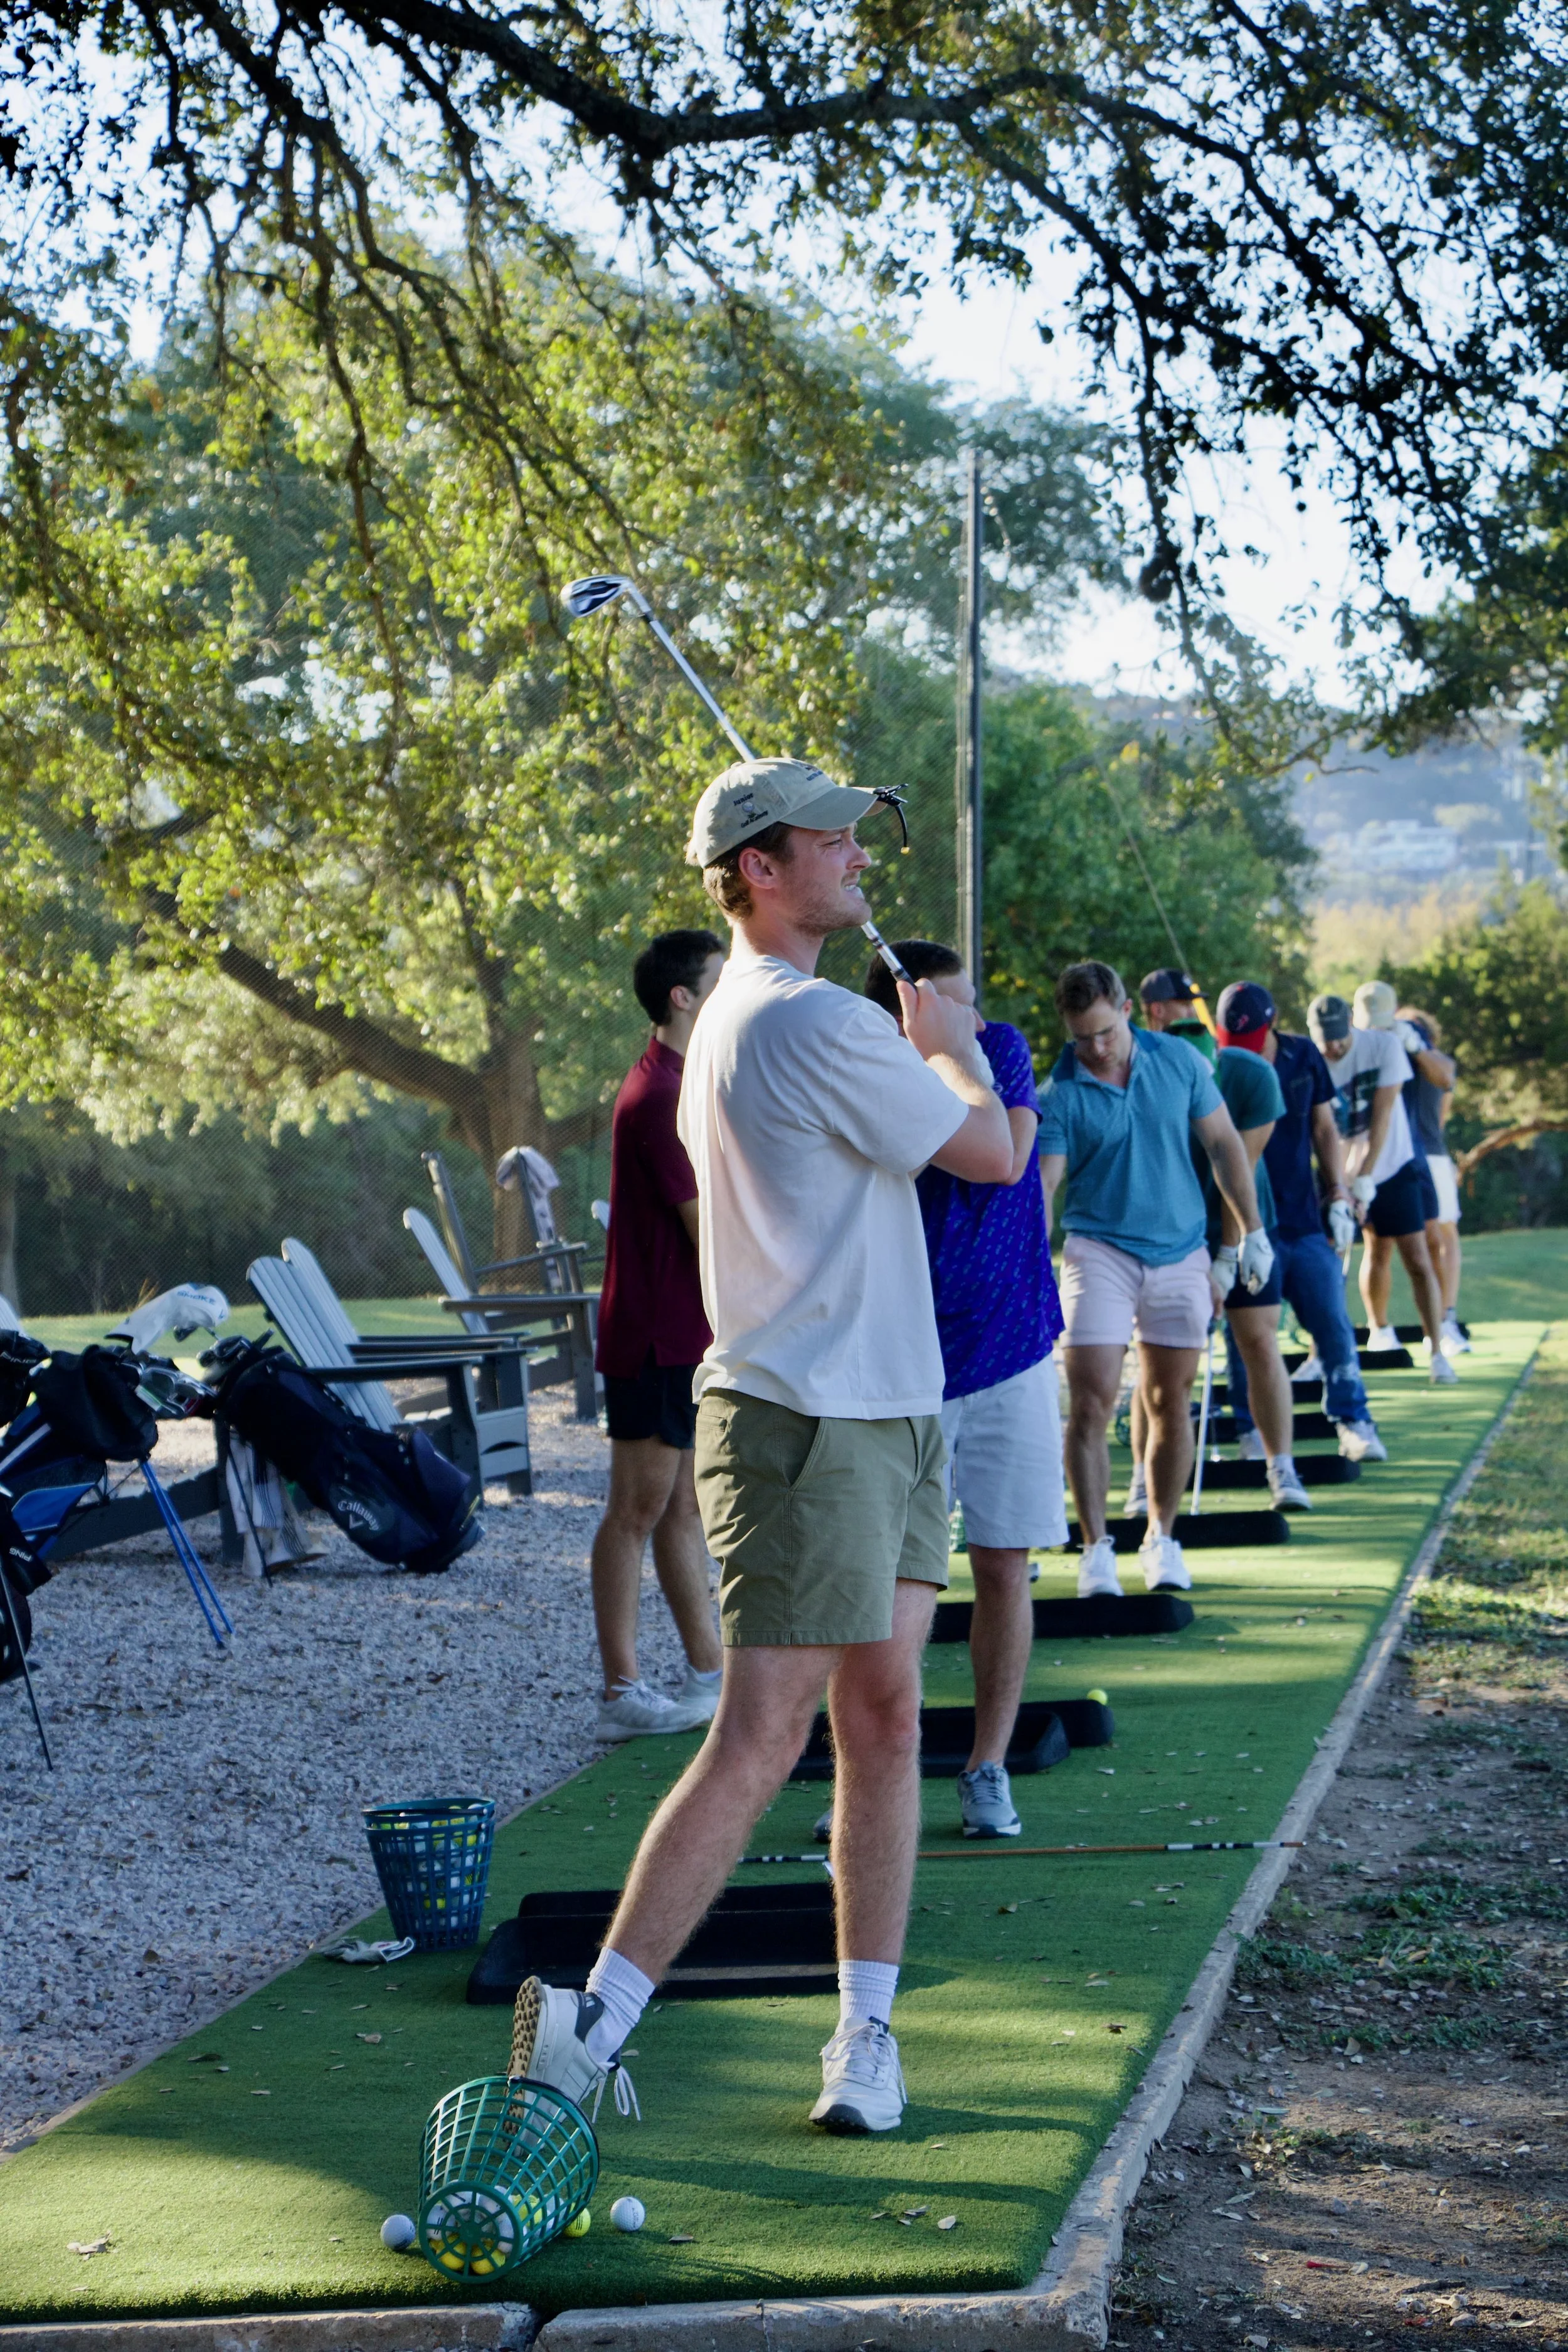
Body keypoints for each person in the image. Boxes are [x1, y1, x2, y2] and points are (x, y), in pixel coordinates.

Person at [509, 756, 1012, 2137]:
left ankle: (863, 2034)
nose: (860, 853)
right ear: (755, 871)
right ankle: (589, 2032)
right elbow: (987, 1154)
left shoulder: (747, 1015)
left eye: (860, 832)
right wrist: (946, 1033)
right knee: (760, 1731)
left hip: (887, 1403)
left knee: (887, 1714)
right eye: (828, 838)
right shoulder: (801, 1022)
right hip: (807, 1415)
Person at [862, 937, 1066, 1840]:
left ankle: (988, 1765)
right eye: (952, 1006)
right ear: (903, 1016)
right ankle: (883, 1777)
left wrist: (959, 1051)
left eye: (973, 1000)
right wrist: (940, 1069)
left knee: (1004, 1562)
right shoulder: (874, 1074)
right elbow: (938, 1158)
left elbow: (1011, 1154)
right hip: (909, 1364)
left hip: (1015, 1346)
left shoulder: (1000, 1048)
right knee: (902, 1581)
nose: (974, 1019)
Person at [1037, 960, 1271, 1599]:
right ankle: (1094, 1550)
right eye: (1081, 1037)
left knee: (1173, 1400)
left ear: (1127, 1012)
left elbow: (1225, 1145)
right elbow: (1047, 1186)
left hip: (1179, 1252)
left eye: (1105, 1032)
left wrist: (1251, 1231)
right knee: (1091, 1399)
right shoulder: (1057, 1094)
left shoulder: (1180, 1062)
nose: (1095, 1048)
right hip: (1098, 1252)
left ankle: (1161, 1538)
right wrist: (1030, 1256)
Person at [590, 930, 728, 1740]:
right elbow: (703, 1225)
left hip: (684, 1333)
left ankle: (709, 1672)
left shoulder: (684, 1077)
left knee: (681, 1507)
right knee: (635, 1509)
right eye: (719, 979)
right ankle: (619, 1691)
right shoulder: (657, 1095)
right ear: (683, 997)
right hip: (653, 1335)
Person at [1128, 983, 1310, 1514]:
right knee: (1160, 1363)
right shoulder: (1143, 1078)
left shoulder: (1252, 1077)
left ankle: (1282, 1468)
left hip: (1248, 1225)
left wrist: (1231, 1256)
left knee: (1259, 1340)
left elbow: (1240, 1167)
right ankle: (1144, 1480)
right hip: (1170, 1233)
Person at [1210, 982, 1387, 1463]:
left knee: (1331, 1319)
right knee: (1249, 1337)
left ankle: (1353, 1420)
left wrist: (1337, 1193)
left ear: (1271, 1024)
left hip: (1303, 1218)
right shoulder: (1218, 1065)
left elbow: (1324, 1127)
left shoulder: (1303, 1055)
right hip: (1246, 1224)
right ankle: (1251, 1433)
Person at [1308, 987, 1455, 1385]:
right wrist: (1340, 1187)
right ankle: (1319, 1355)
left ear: (1351, 1026)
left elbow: (1383, 1118)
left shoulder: (1384, 1047)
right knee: (1328, 1265)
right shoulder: (1310, 1060)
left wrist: (1367, 1178)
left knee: (1418, 1259)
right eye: (1326, 1040)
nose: (1334, 1047)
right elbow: (1319, 1131)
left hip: (1392, 1166)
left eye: (1340, 1037)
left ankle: (1438, 1351)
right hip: (1339, 1173)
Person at [1394, 1003, 1466, 1355]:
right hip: (1402, 1157)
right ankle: (1425, 1324)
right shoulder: (1392, 1056)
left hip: (1433, 1155)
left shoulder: (1435, 1061)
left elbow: (1442, 1111)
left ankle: (1447, 1318)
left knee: (1445, 1234)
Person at [1139, 968, 1217, 1065]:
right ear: (1158, 1010)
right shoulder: (1142, 1059)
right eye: (1185, 1005)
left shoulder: (1208, 1046)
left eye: (1192, 1005)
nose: (1192, 1013)